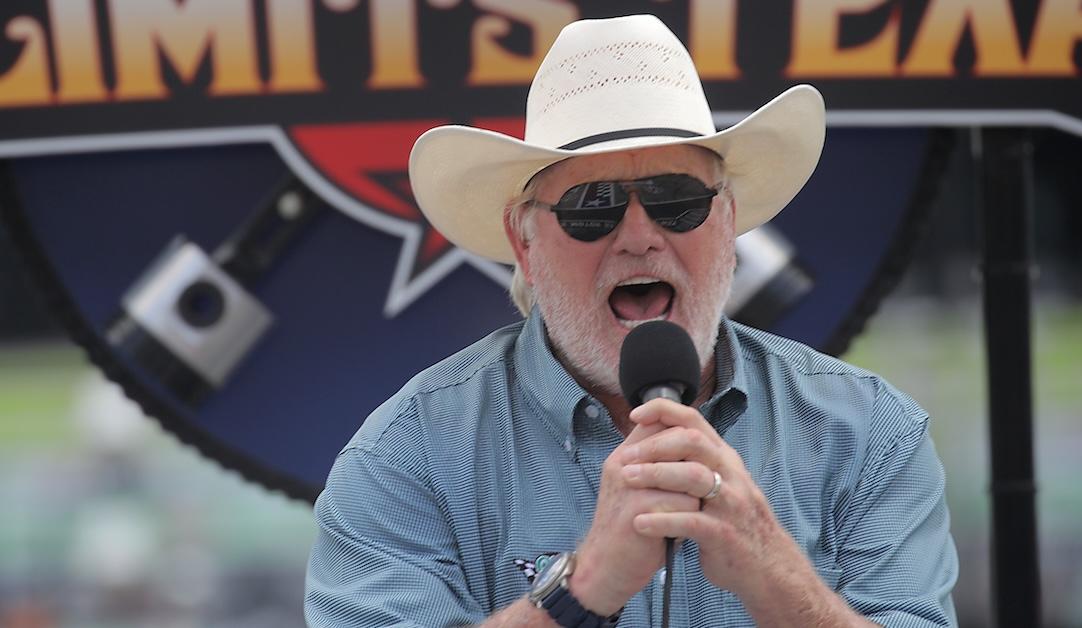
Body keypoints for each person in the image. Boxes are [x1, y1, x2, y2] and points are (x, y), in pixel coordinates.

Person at [305, 14, 957, 628]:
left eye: (677, 200)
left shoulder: (869, 434)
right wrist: (579, 589)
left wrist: (776, 577)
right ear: (524, 240)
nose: (640, 236)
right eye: (594, 207)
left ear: (728, 223)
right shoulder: (403, 457)